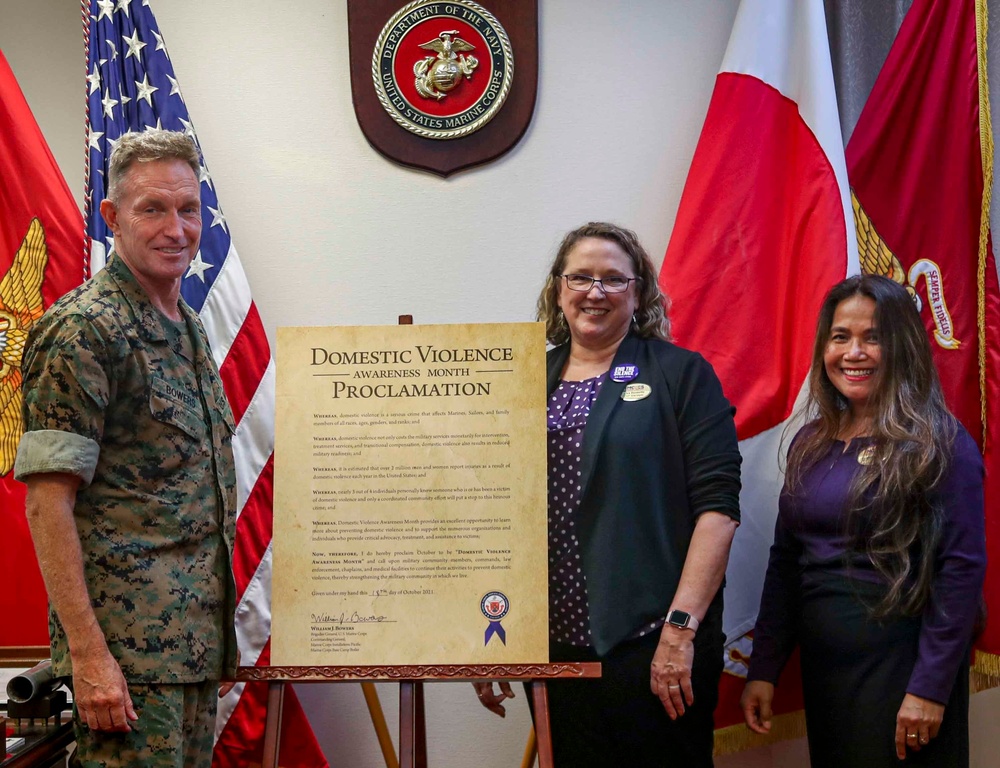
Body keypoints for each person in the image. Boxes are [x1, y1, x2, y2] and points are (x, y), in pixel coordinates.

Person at [475, 222, 742, 765]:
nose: (595, 292)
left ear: (638, 292)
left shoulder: (681, 375)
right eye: (581, 277)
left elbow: (718, 511)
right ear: (558, 288)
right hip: (553, 647)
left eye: (614, 280)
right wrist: (489, 633)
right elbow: (494, 513)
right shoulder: (524, 379)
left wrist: (679, 634)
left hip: (652, 647)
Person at [15, 130, 238, 768]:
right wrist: (87, 657)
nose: (177, 229)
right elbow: (47, 505)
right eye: (152, 209)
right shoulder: (86, 329)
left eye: (188, 209)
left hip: (187, 654)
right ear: (112, 217)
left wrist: (212, 647)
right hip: (126, 663)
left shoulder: (186, 327)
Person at [741, 274, 986, 767]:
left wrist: (930, 689)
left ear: (903, 347)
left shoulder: (940, 442)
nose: (854, 352)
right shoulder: (811, 441)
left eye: (873, 337)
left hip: (905, 674)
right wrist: (764, 667)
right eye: (841, 337)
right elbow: (786, 561)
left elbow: (960, 572)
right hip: (828, 673)